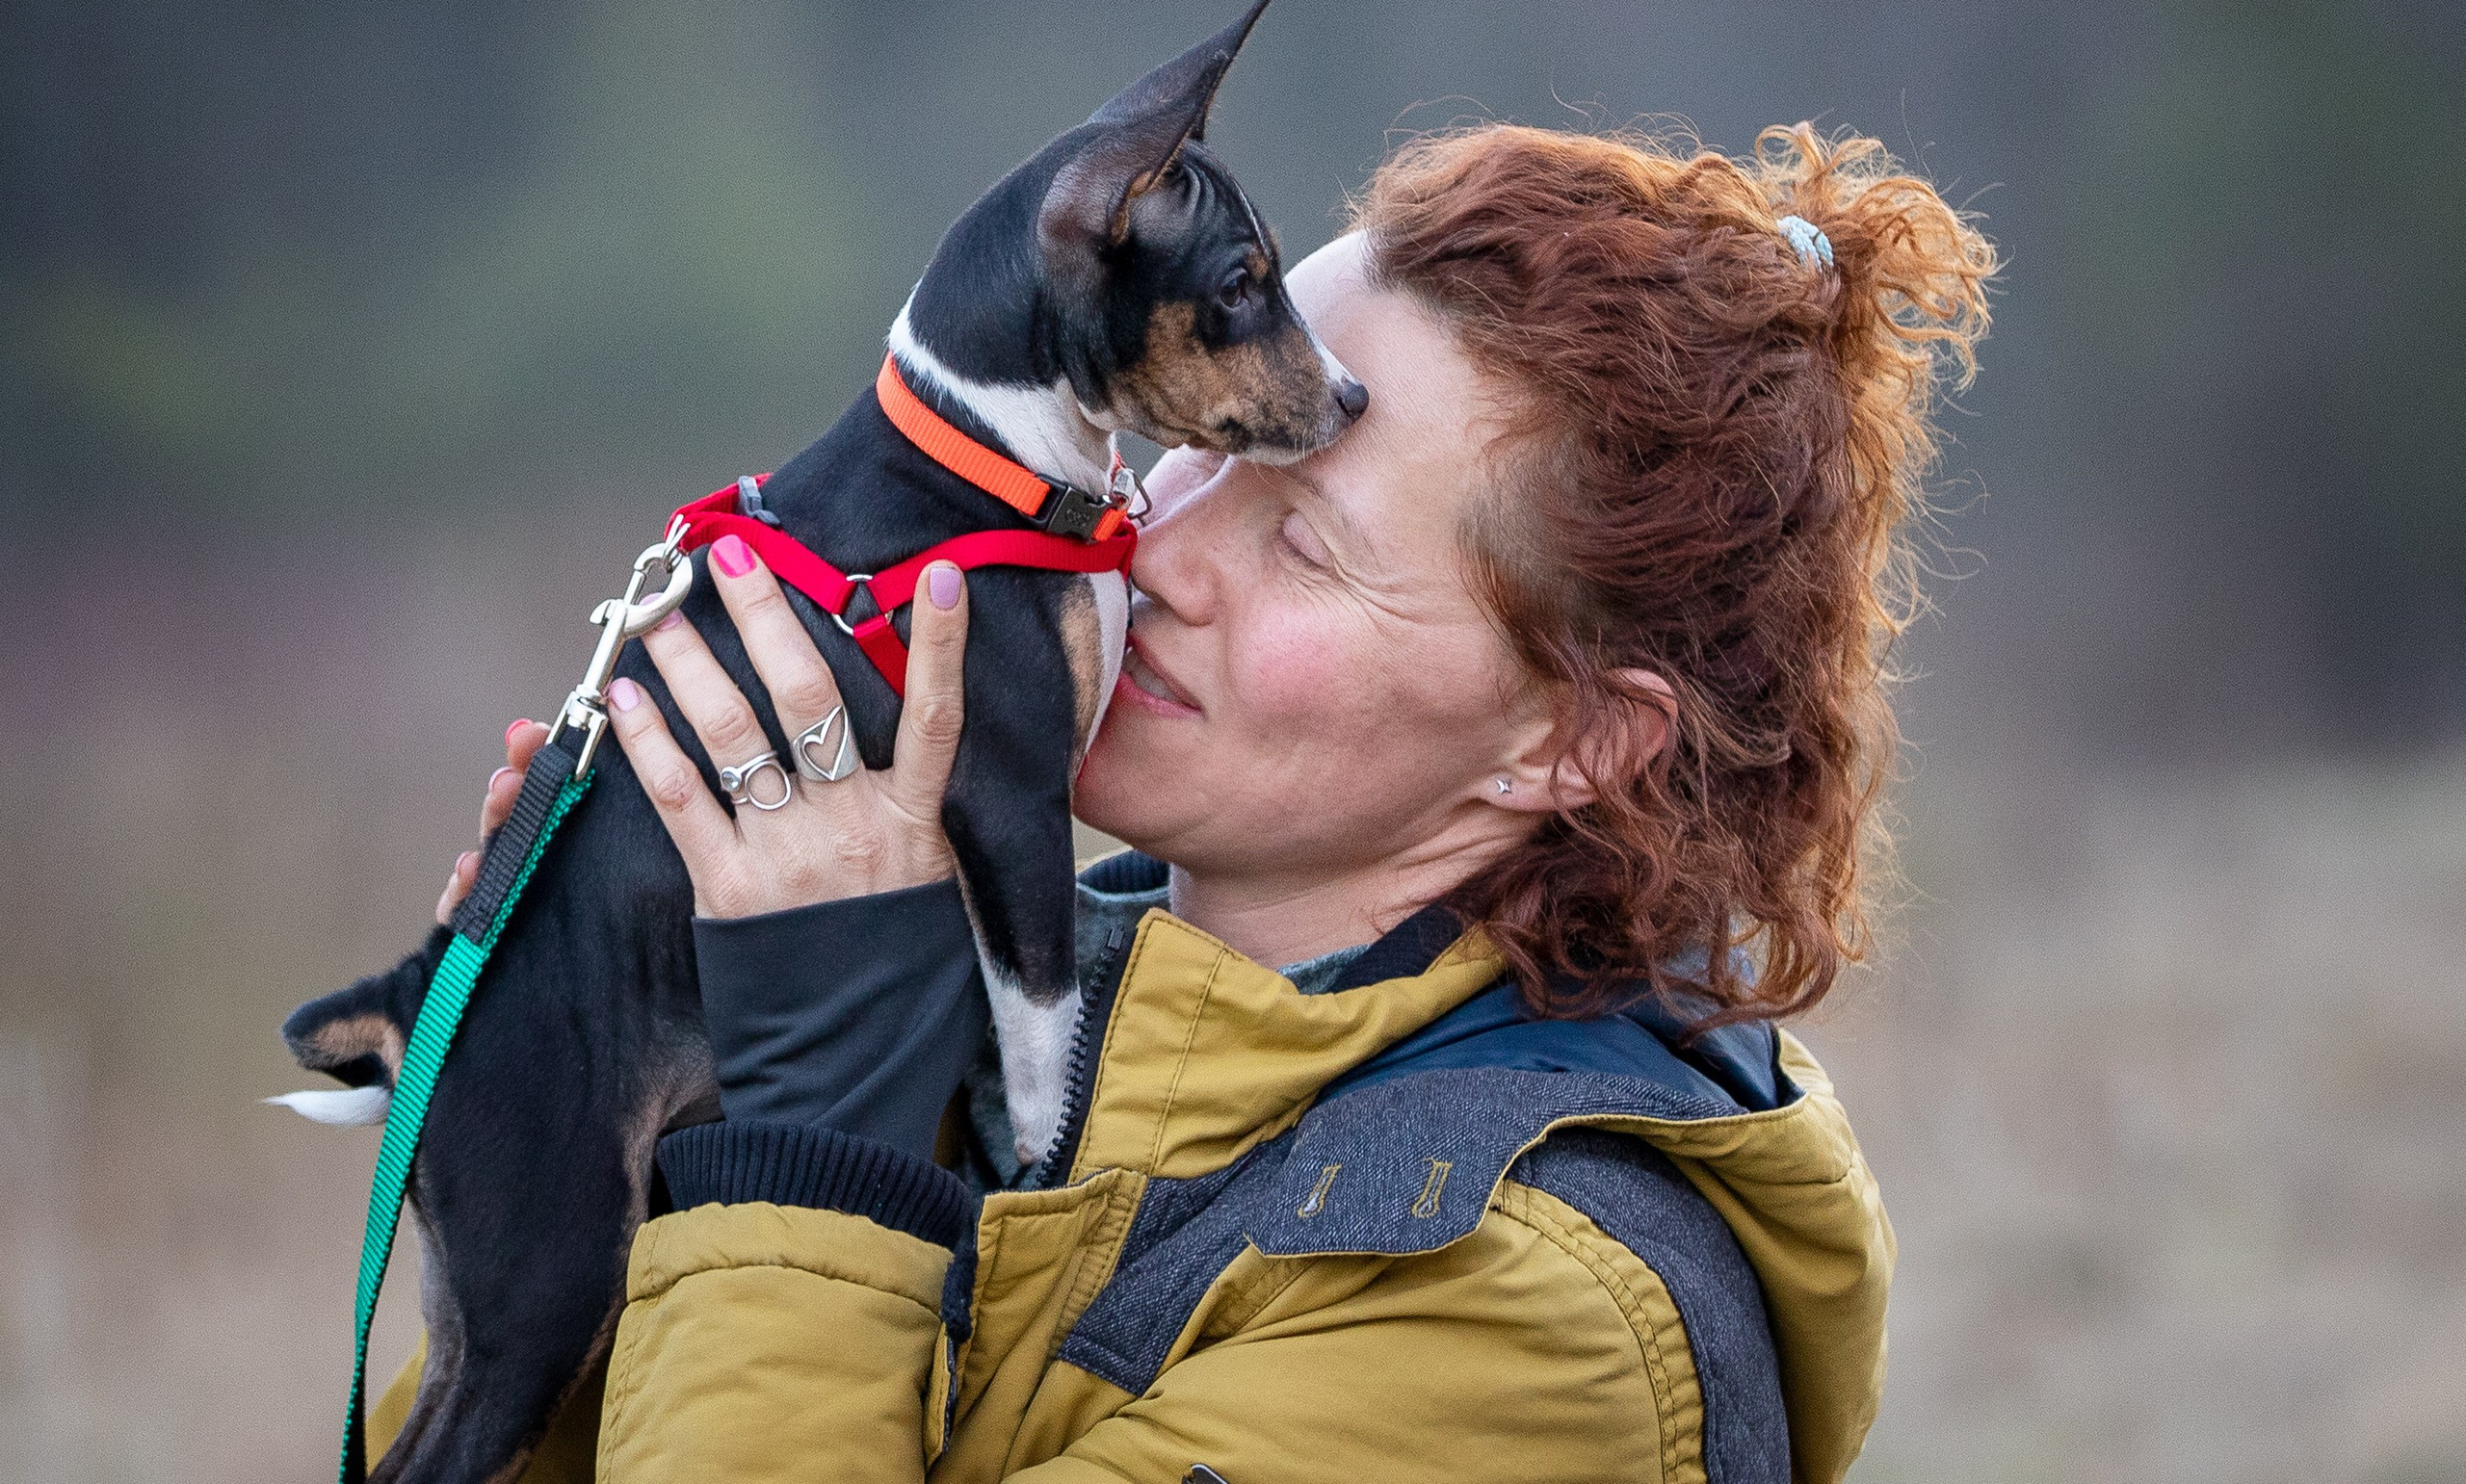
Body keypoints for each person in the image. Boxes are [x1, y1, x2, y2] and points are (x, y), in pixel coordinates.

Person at [408, 120, 1993, 1483]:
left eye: (1303, 544)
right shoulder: (1006, 1014)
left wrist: (807, 1149)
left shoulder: (1531, 1320)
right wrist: (586, 1103)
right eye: (1186, 435)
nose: (1146, 548)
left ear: (1575, 742)